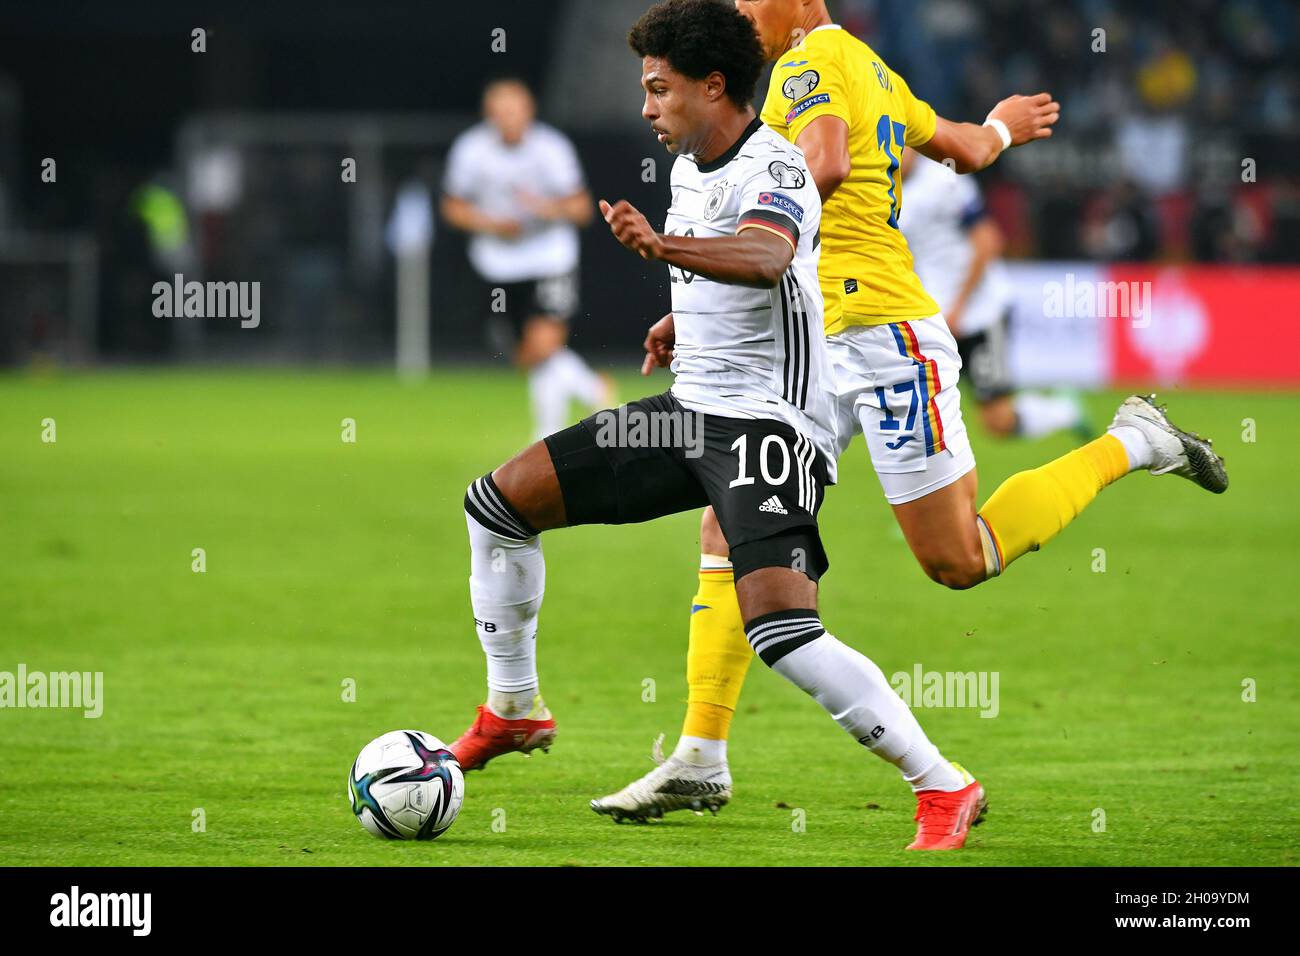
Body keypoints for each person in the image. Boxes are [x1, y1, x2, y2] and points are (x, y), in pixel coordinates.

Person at [593, 0, 1226, 831]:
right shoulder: (874, 69)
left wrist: (733, 240)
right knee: (728, 521)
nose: (740, 11)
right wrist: (998, 129)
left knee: (958, 560)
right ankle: (700, 756)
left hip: (882, 342)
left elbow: (819, 167)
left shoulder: (811, 63)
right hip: (810, 346)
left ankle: (1131, 442)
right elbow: (962, 147)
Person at [448, 0, 988, 852]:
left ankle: (943, 784)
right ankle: (515, 707)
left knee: (783, 633)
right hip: (686, 417)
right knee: (496, 506)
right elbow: (739, 275)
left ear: (712, 85)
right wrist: (681, 319)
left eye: (659, 90)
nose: (646, 108)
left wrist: (662, 250)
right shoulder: (688, 166)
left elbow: (768, 254)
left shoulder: (778, 164)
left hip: (766, 431)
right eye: (644, 90)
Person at [441, 77, 611, 438]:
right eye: (501, 111)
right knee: (525, 357)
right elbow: (452, 207)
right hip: (496, 264)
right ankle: (593, 388)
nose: (509, 119)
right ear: (488, 114)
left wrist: (546, 210)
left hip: (549, 258)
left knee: (543, 346)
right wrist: (490, 224)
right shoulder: (471, 150)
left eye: (515, 110)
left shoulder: (552, 148)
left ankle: (547, 436)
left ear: (529, 111)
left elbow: (582, 209)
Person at [899, 150, 1091, 441]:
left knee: (998, 421)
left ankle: (1064, 410)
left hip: (980, 313)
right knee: (915, 403)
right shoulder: (885, 190)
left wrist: (958, 306)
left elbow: (987, 241)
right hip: (935, 316)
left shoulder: (944, 180)